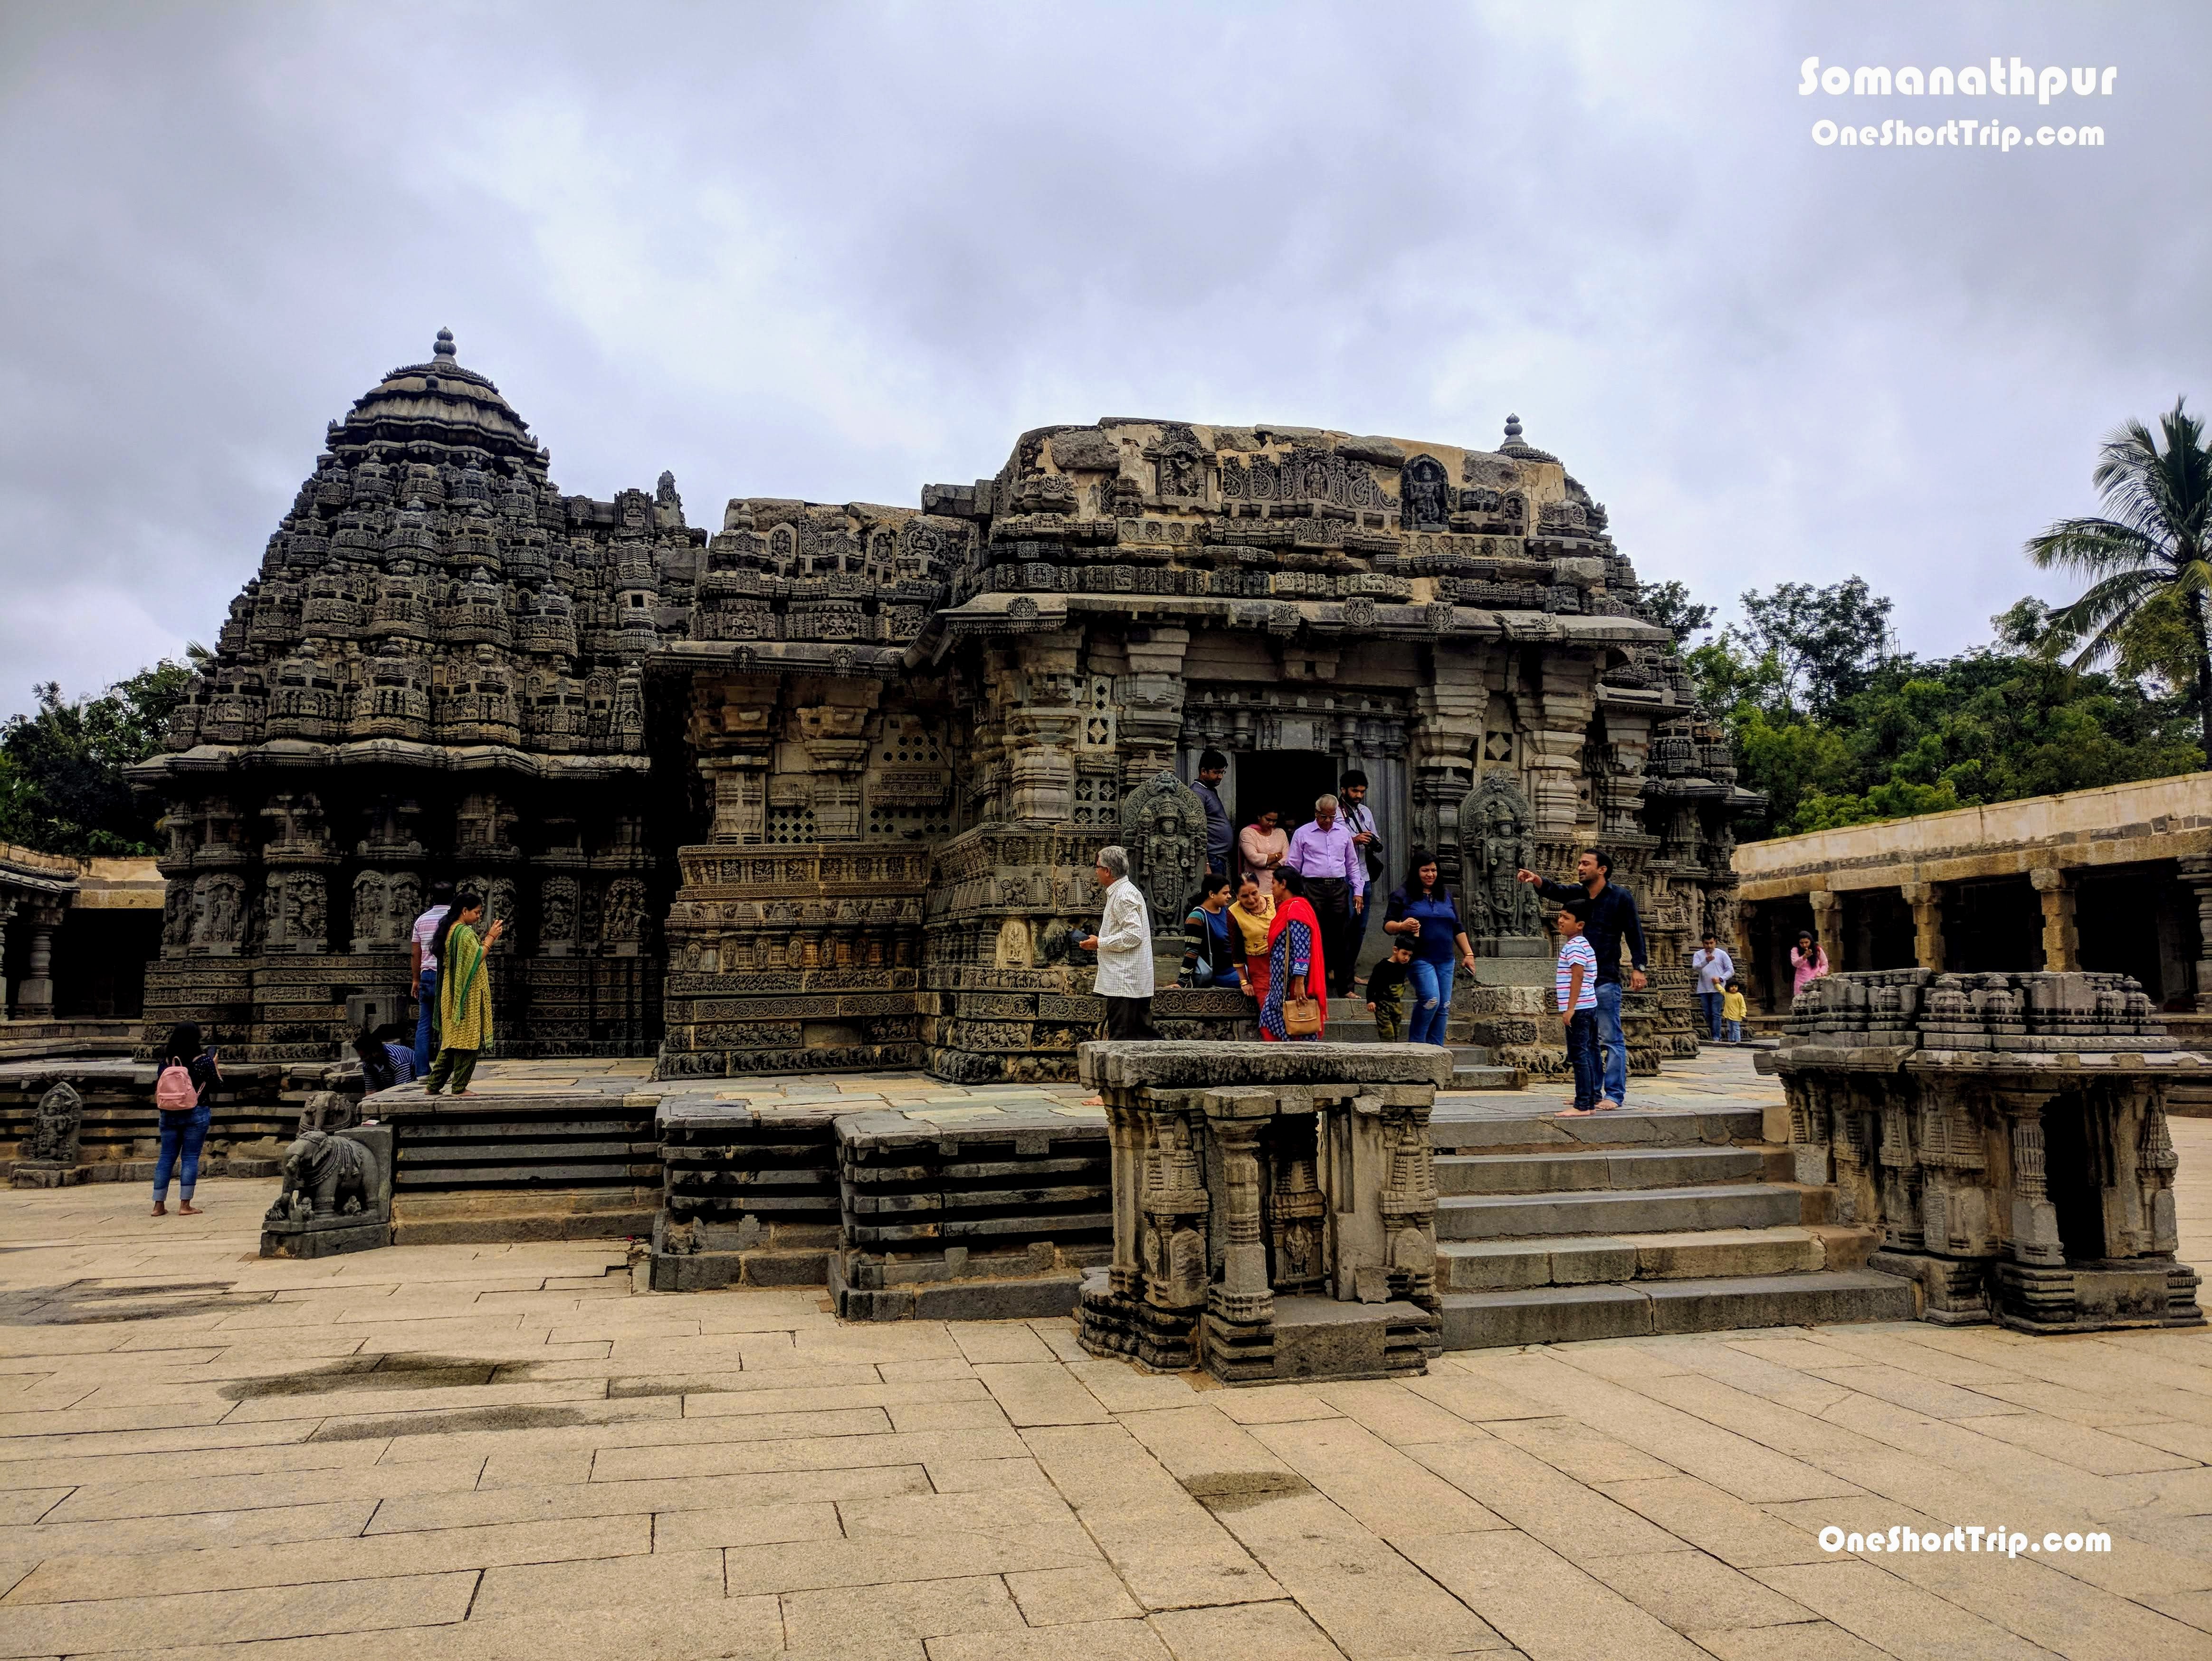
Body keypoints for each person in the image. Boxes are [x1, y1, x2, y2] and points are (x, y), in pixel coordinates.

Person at [1516, 849, 1646, 1111]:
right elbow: (1556, 891)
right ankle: (1590, 1094)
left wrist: (1638, 967)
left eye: (1586, 864)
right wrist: (1536, 879)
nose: (1580, 867)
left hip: (1607, 977)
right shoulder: (1578, 895)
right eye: (1579, 863)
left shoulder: (1621, 897)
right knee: (1587, 1041)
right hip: (1584, 984)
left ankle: (1614, 1094)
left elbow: (1634, 932)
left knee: (1611, 1038)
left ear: (1603, 870)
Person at [1382, 849, 1478, 1048]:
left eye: (1434, 870)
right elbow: (1388, 925)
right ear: (1416, 871)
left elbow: (1457, 927)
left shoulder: (1445, 895)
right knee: (1431, 999)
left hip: (1445, 959)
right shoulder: (1403, 894)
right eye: (1425, 870)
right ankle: (1417, 1047)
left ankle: (1436, 1050)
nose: (1431, 875)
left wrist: (1468, 954)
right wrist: (1402, 926)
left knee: (1444, 1006)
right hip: (1418, 958)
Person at [424, 890, 504, 1096]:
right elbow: (477, 958)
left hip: (451, 994)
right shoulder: (465, 933)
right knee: (468, 1043)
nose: (479, 916)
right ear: (464, 910)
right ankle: (459, 1087)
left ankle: (433, 1086)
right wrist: (491, 938)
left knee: (451, 1044)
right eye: (477, 912)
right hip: (465, 998)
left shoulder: (451, 930)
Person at [1285, 794, 1364, 1000]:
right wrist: (1292, 896)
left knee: (1342, 938)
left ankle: (1345, 988)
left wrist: (1358, 892)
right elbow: (1293, 866)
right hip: (1312, 887)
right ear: (1316, 814)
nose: (1328, 822)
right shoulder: (1303, 833)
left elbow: (1352, 865)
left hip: (1339, 887)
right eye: (1323, 817)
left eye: (1331, 817)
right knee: (1311, 937)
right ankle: (1312, 987)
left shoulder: (1343, 834)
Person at [1080, 846, 1157, 1039]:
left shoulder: (1123, 895)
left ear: (1107, 871)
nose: (1096, 871)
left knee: (1123, 1040)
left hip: (1126, 982)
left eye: (1097, 867)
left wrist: (1100, 943)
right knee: (1138, 1037)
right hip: (1127, 982)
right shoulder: (1122, 892)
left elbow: (1133, 935)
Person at [151, 1022, 220, 1217]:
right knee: (190, 1158)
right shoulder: (203, 1061)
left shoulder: (167, 1061)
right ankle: (185, 1205)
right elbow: (217, 1086)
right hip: (196, 1113)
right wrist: (216, 1067)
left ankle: (158, 1206)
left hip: (169, 1114)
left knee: (166, 1158)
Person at [1260, 867, 1325, 1042]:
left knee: (1293, 1029)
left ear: (1284, 884)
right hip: (1280, 985)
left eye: (1274, 883)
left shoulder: (1295, 910)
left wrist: (1299, 983)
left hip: (1290, 987)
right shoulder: (1290, 908)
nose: (1271, 888)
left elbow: (1302, 950)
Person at [1552, 900, 1603, 1117]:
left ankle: (1583, 1104)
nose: (1560, 921)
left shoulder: (1573, 946)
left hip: (1580, 1008)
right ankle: (1589, 1097)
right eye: (1561, 916)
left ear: (1580, 924)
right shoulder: (1583, 944)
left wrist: (1570, 1008)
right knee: (1588, 1052)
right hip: (1589, 1006)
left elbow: (1578, 975)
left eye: (1566, 918)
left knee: (1579, 1054)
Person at [410, 879, 456, 1075]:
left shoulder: (421, 920)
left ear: (431, 898)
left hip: (426, 975)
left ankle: (422, 1072)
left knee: (424, 1025)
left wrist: (416, 980)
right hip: (446, 975)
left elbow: (415, 953)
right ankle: (445, 1069)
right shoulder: (455, 921)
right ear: (454, 898)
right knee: (449, 1024)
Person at [1179, 873, 1240, 987]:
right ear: (1212, 894)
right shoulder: (1198, 916)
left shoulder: (1226, 912)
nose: (1230, 896)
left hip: (1236, 969)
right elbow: (1191, 951)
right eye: (1225, 893)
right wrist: (1182, 982)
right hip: (1218, 974)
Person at [1227, 875, 1276, 1005]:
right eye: (1244, 896)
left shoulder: (1274, 901)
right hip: (1259, 965)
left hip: (1282, 961)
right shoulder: (1234, 913)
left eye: (1255, 893)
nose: (1252, 899)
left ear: (1259, 888)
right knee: (1267, 1006)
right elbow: (1236, 949)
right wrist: (1244, 982)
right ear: (1236, 895)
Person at [1340, 771, 1386, 889]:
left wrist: (1370, 840)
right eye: (1355, 791)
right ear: (1343, 790)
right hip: (1343, 876)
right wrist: (1354, 840)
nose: (1359, 796)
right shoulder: (1334, 813)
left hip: (1364, 874)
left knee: (1365, 908)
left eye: (1362, 792)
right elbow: (1327, 844)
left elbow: (1374, 837)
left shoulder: (1365, 811)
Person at [1364, 939, 1415, 1042]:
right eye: (1404, 954)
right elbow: (1372, 984)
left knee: (1396, 1031)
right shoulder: (1382, 966)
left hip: (1397, 1005)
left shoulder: (1404, 966)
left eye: (1409, 956)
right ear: (1395, 950)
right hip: (1382, 1004)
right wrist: (1370, 1000)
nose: (1406, 958)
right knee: (1387, 1032)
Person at [1193, 751, 1233, 878]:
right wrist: (1206, 863)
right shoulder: (1198, 793)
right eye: (1216, 772)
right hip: (1211, 859)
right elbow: (1197, 830)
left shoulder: (1209, 791)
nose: (1220, 777)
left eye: (1222, 772)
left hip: (1218, 857)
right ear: (1204, 771)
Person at [1691, 930, 1735, 1043]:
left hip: (1718, 988)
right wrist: (1706, 961)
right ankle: (1713, 1032)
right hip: (1704, 988)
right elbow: (1695, 968)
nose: (1709, 946)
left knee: (1716, 1012)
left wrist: (1721, 979)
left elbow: (1731, 970)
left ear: (1715, 942)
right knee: (1708, 1013)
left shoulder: (1722, 954)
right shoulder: (1698, 955)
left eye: (1711, 943)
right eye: (1706, 943)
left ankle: (1716, 1036)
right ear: (1703, 943)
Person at [353, 1023, 417, 1094]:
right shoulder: (368, 1063)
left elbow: (402, 1091)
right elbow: (371, 1091)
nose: (362, 1060)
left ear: (375, 1053)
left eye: (364, 1057)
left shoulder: (397, 1059)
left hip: (410, 1085)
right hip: (389, 1086)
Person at [1239, 808, 1288, 897]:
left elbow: (1288, 859)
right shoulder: (1248, 833)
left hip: (1278, 889)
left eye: (1274, 821)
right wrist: (1277, 856)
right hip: (1254, 889)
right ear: (1259, 817)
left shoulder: (1281, 833)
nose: (1271, 824)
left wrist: (1265, 864)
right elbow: (1254, 859)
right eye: (1268, 820)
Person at [1791, 931, 1829, 1001]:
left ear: (1811, 941)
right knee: (1801, 1002)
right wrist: (1805, 957)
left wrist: (1821, 973)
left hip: (1815, 980)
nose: (1805, 945)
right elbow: (1795, 964)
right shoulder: (1795, 950)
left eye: (1806, 942)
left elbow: (1825, 964)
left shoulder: (1817, 949)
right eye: (1802, 943)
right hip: (1801, 981)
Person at [1721, 978, 1748, 1045]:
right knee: (1730, 1029)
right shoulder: (1726, 994)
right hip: (1728, 1015)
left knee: (1736, 1029)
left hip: (1737, 1016)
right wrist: (1716, 983)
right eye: (1732, 987)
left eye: (1735, 987)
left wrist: (1743, 1013)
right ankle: (1731, 1040)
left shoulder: (1739, 996)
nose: (1734, 988)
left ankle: (1738, 1041)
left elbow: (1743, 1005)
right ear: (1728, 987)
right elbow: (1720, 989)